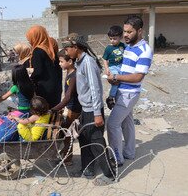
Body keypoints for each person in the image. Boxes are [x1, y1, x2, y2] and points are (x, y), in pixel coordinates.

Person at [63, 34, 115, 180]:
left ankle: (110, 174)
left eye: (67, 48)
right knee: (84, 140)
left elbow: (95, 89)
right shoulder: (79, 62)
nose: (66, 52)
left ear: (76, 47)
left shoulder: (88, 62)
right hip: (85, 109)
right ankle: (88, 169)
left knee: (96, 142)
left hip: (93, 110)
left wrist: (98, 113)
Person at [107, 16, 153, 166]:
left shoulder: (145, 50)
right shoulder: (128, 47)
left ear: (140, 31)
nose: (125, 35)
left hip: (129, 93)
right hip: (122, 90)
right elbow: (125, 70)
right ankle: (129, 152)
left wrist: (116, 76)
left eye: (129, 32)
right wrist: (115, 79)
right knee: (127, 123)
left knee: (112, 124)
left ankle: (117, 158)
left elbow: (138, 77)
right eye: (124, 31)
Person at [51, 49, 82, 166]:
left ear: (70, 61)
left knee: (67, 134)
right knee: (65, 134)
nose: (59, 64)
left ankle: (67, 159)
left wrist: (55, 108)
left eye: (61, 61)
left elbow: (68, 96)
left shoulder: (73, 76)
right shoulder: (69, 73)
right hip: (69, 108)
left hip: (73, 109)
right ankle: (65, 154)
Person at [26, 25, 62, 108]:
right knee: (54, 112)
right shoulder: (50, 49)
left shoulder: (38, 51)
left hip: (44, 89)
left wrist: (29, 79)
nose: (29, 41)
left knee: (45, 114)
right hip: (55, 87)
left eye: (30, 38)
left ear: (36, 37)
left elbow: (38, 71)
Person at [102, 25, 126, 109]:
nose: (112, 41)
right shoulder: (108, 48)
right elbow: (104, 59)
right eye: (111, 38)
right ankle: (110, 98)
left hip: (121, 67)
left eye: (114, 39)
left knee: (122, 83)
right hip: (113, 67)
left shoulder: (123, 46)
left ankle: (118, 99)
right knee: (115, 82)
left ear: (120, 37)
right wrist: (107, 69)